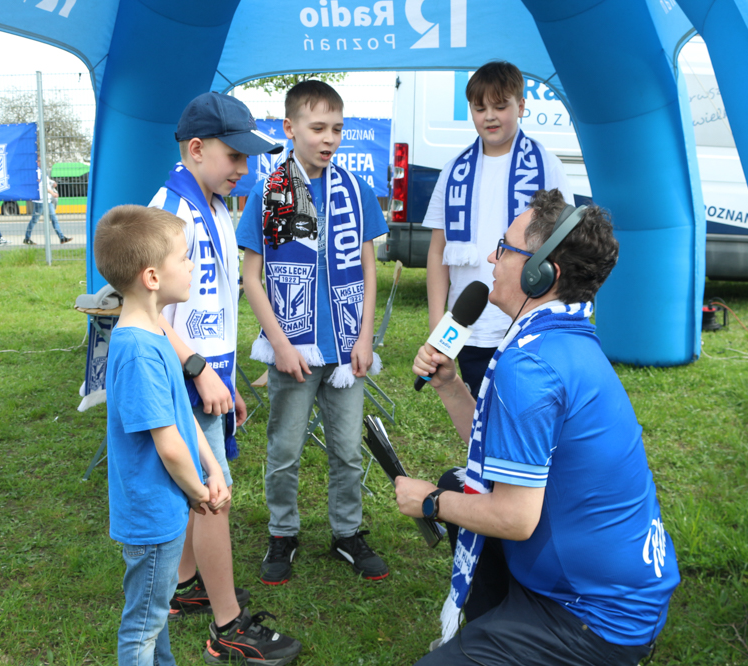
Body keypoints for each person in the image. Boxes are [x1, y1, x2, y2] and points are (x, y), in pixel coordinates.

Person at [396, 189, 680, 666]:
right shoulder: (566, 336)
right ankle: (494, 629)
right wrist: (450, 386)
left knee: (449, 492)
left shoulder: (530, 365)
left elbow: (515, 517)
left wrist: (430, 503)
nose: (491, 257)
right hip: (622, 595)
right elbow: (507, 454)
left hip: (594, 619)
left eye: (505, 249)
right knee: (459, 483)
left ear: (541, 273)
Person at [149, 91, 302, 666]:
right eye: (235, 156)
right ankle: (228, 626)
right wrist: (196, 369)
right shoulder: (168, 214)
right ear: (195, 149)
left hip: (208, 377)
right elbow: (145, 313)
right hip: (180, 380)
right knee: (213, 498)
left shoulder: (213, 203)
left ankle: (186, 587)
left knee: (200, 493)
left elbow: (209, 310)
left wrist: (226, 376)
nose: (246, 169)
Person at [237, 80, 390, 585]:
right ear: (290, 128)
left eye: (337, 129)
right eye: (318, 127)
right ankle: (283, 533)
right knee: (285, 450)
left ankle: (348, 533)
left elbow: (369, 269)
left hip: (347, 352)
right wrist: (280, 343)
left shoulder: (354, 189)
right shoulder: (268, 192)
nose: (329, 138)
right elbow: (252, 278)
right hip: (293, 351)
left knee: (348, 449)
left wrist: (365, 336)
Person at [94, 204, 230, 666]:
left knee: (158, 613)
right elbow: (169, 447)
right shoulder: (137, 350)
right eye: (183, 258)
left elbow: (181, 414)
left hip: (167, 510)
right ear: (152, 277)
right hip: (151, 516)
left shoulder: (154, 331)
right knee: (143, 624)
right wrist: (201, 494)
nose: (191, 266)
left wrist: (211, 465)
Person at [424, 61, 574, 397]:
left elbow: (565, 248)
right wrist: (438, 323)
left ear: (521, 106)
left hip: (526, 324)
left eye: (500, 106)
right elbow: (437, 251)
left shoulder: (547, 165)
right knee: (479, 420)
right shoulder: (453, 171)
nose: (489, 116)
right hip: (470, 326)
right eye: (480, 108)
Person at [24, 163, 71, 244]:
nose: (40, 162)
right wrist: (52, 193)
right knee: (34, 220)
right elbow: (42, 186)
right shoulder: (36, 172)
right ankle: (27, 238)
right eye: (39, 160)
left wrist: (52, 183)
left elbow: (47, 182)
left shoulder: (42, 172)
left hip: (47, 200)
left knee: (54, 219)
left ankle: (62, 237)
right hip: (40, 201)